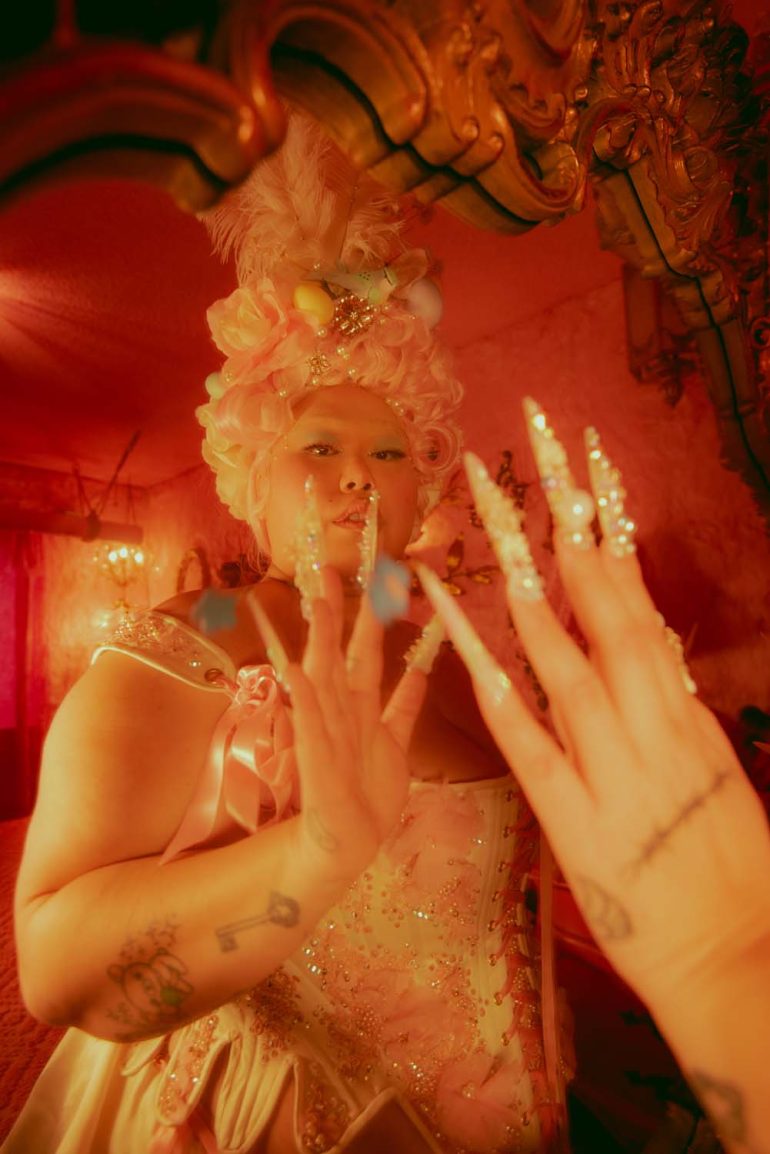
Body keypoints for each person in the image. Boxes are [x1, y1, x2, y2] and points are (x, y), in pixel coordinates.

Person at [5, 116, 570, 1154]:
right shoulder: (191, 644)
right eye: (319, 447)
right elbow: (53, 965)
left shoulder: (450, 655)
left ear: (422, 486)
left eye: (390, 452)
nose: (358, 476)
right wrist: (308, 858)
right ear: (251, 482)